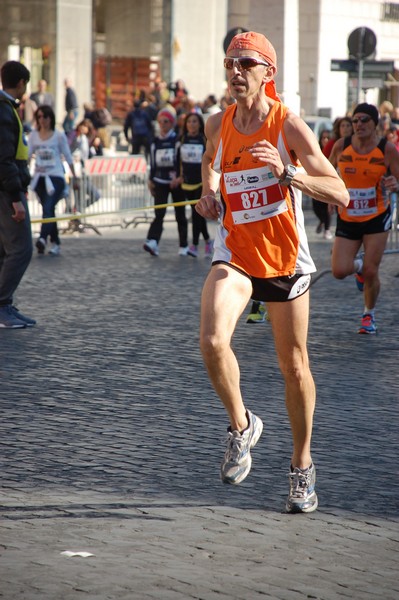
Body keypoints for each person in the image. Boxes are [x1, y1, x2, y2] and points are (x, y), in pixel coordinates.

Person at [195, 31, 349, 513]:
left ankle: (302, 467)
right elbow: (210, 162)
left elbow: (340, 192)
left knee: (294, 366)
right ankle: (242, 426)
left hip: (284, 260)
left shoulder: (288, 126)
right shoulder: (218, 123)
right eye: (229, 63)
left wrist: (288, 174)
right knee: (212, 340)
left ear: (268, 72)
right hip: (236, 252)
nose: (235, 72)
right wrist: (210, 192)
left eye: (246, 63)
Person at [329, 102, 399, 334]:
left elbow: (398, 180)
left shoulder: (386, 148)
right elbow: (326, 173)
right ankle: (357, 267)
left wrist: (394, 184)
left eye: (364, 120)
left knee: (372, 270)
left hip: (376, 216)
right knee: (339, 270)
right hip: (348, 216)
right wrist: (329, 194)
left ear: (375, 123)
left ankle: (368, 315)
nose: (358, 124)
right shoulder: (342, 146)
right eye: (355, 120)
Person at [0, 60, 36, 328]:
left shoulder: (6, 108)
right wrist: (15, 197)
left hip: (6, 189)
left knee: (4, 250)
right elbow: (5, 158)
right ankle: (2, 305)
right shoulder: (4, 110)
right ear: (22, 83)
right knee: (21, 249)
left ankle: (5, 304)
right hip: (6, 192)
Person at [29, 105, 77, 256]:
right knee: (48, 210)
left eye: (45, 117)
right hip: (40, 178)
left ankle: (42, 238)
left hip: (55, 177)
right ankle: (55, 242)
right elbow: (28, 155)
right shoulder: (34, 136)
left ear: (51, 118)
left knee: (49, 207)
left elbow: (68, 155)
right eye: (39, 117)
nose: (42, 120)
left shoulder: (59, 136)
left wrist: (74, 176)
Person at [143, 105, 188, 256]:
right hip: (159, 181)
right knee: (159, 213)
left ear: (172, 123)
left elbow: (181, 160)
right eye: (160, 121)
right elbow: (153, 163)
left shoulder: (177, 140)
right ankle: (152, 241)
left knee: (180, 214)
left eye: (166, 121)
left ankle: (184, 245)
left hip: (176, 182)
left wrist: (180, 177)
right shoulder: (155, 142)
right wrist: (150, 180)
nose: (163, 124)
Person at [177, 112, 213, 258]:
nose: (191, 124)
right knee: (197, 214)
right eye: (189, 122)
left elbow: (208, 160)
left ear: (199, 124)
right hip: (186, 182)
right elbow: (177, 160)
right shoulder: (182, 139)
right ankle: (207, 241)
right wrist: (179, 176)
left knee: (196, 214)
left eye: (194, 121)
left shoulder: (203, 140)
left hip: (200, 182)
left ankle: (194, 245)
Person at [312, 129, 333, 239]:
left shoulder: (332, 149)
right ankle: (322, 221)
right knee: (315, 206)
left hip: (328, 181)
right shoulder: (317, 149)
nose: (325, 140)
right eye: (323, 138)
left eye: (327, 138)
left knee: (326, 206)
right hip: (316, 180)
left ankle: (327, 229)